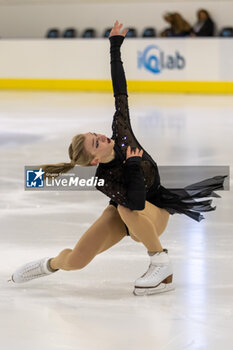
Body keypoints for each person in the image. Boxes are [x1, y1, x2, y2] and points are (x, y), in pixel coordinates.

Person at [9, 20, 227, 296]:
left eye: (95, 134)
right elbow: (130, 199)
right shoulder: (102, 179)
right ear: (94, 160)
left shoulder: (122, 133)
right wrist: (133, 166)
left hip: (155, 212)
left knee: (126, 208)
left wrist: (114, 47)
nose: (100, 136)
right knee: (77, 259)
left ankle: (160, 262)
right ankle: (46, 264)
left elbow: (119, 91)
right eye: (94, 142)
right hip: (128, 210)